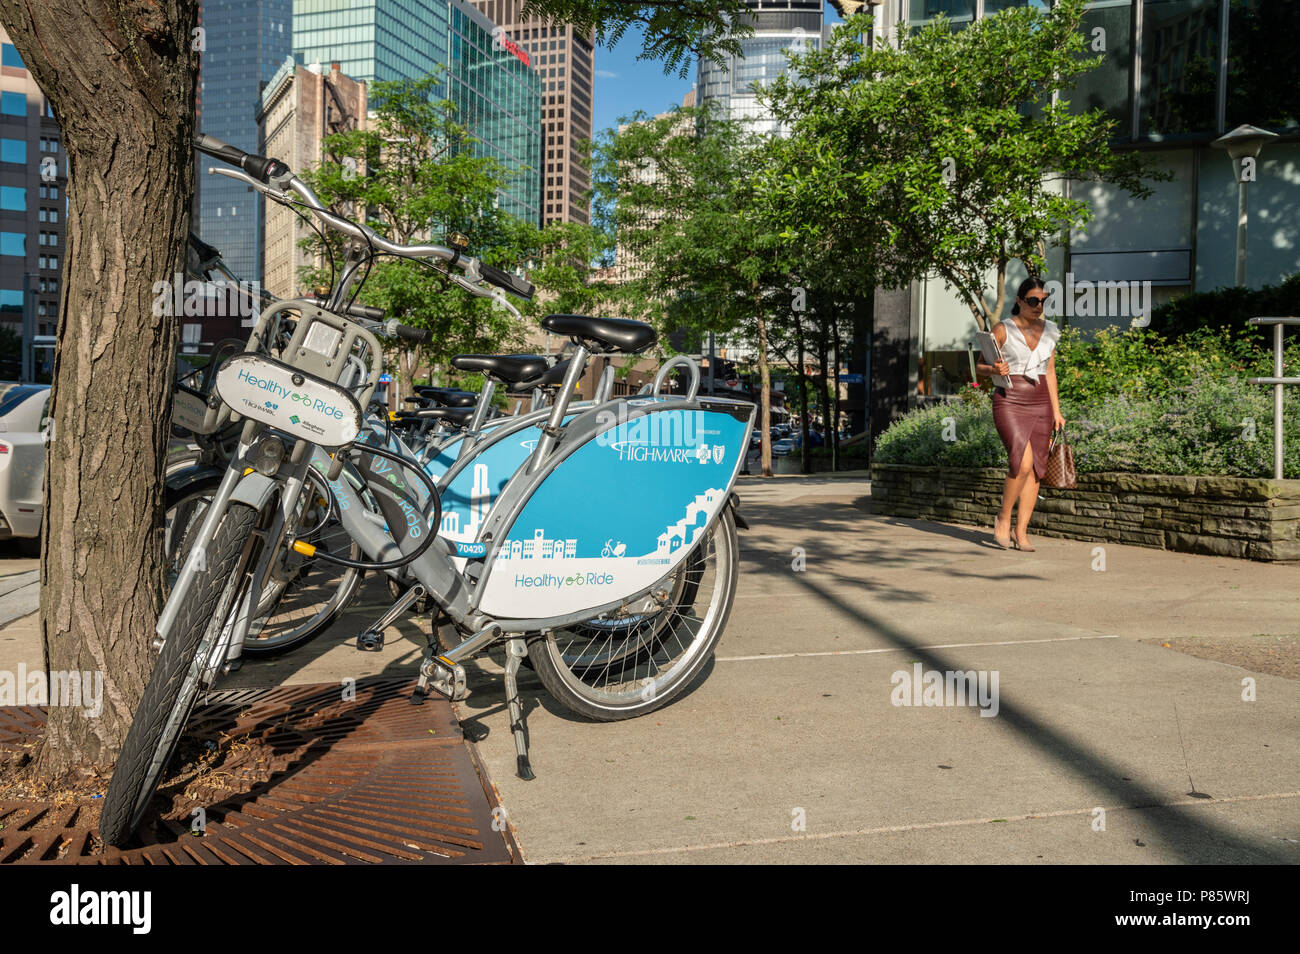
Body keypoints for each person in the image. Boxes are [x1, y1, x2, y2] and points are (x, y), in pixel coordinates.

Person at [975, 277, 1066, 551]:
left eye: (1043, 301)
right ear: (1019, 300)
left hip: (1041, 402)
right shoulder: (1003, 328)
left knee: (1037, 469)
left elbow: (1049, 372)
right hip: (1010, 400)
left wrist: (1057, 411)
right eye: (1032, 301)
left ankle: (1021, 531)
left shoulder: (1050, 330)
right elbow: (980, 366)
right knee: (1022, 462)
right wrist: (994, 370)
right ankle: (1003, 519)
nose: (1038, 306)